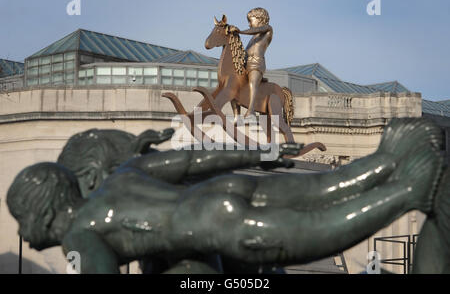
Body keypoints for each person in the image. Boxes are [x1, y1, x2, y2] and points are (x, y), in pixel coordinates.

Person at [7, 118, 448, 273]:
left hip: (218, 226)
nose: (24, 237)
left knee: (316, 230)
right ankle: (389, 158)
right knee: (317, 190)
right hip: (227, 187)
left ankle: (411, 190)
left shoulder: (82, 236)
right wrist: (263, 150)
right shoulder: (122, 174)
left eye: (22, 221)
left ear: (42, 213)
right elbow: (193, 161)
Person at [229, 7, 272, 119]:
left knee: (253, 83)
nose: (249, 24)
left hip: (256, 64)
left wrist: (240, 31)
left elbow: (256, 30)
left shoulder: (267, 29)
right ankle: (236, 115)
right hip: (246, 64)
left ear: (259, 18)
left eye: (250, 20)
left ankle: (251, 111)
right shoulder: (252, 38)